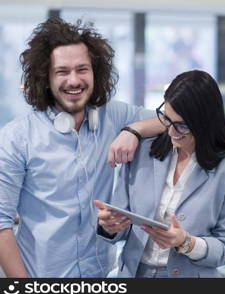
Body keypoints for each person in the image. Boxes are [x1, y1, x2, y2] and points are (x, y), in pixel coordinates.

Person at [0, 18, 164, 278]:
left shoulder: (115, 116)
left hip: (99, 276)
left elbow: (175, 119)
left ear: (95, 73)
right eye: (62, 71)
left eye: (82, 69)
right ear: (46, 77)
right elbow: (1, 224)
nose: (74, 81)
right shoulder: (16, 138)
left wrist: (134, 130)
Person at [94, 70, 225, 278]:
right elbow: (123, 226)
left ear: (205, 123)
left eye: (182, 126)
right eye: (167, 119)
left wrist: (186, 243)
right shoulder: (143, 152)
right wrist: (110, 226)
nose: (171, 132)